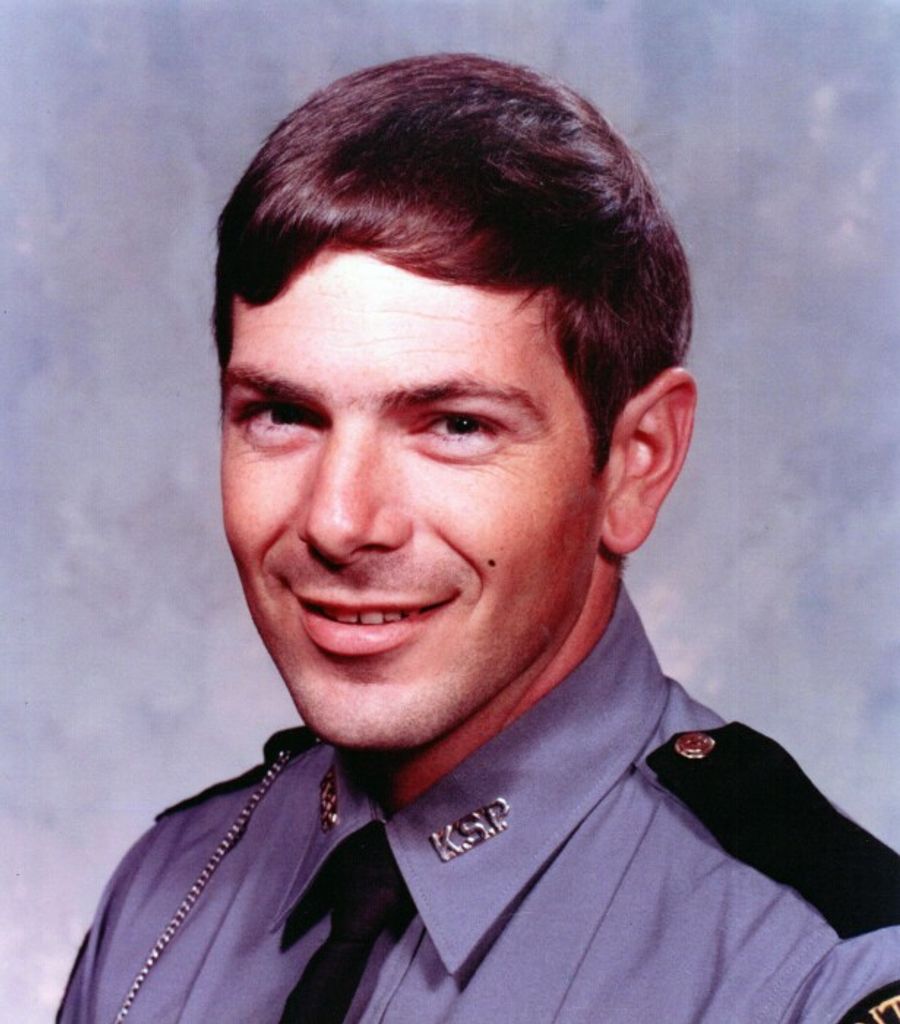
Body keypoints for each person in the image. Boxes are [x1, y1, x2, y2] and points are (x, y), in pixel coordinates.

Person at [58, 54, 899, 1023]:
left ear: (635, 463)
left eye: (455, 425)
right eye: (283, 414)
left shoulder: (817, 973)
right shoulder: (165, 897)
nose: (339, 520)